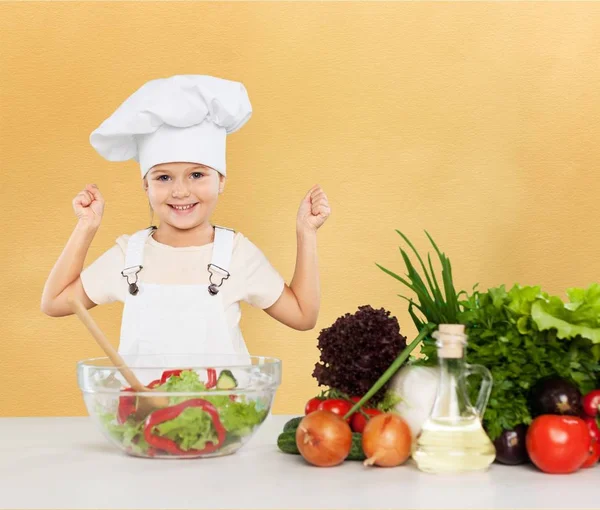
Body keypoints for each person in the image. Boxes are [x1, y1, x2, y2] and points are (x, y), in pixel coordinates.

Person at [41, 75, 331, 359]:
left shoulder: (237, 253)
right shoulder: (128, 256)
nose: (180, 191)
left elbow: (303, 316)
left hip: (221, 407)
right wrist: (86, 226)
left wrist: (306, 233)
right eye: (163, 177)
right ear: (146, 185)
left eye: (196, 175)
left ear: (221, 180)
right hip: (146, 408)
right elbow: (55, 302)